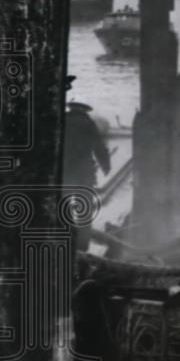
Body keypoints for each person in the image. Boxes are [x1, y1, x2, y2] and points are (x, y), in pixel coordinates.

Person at [62, 76, 111, 251]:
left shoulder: (61, 121)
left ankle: (66, 242)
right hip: (84, 175)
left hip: (64, 174)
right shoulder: (88, 124)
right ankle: (82, 248)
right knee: (84, 213)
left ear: (71, 107)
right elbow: (99, 148)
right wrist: (106, 166)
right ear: (84, 109)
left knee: (64, 210)